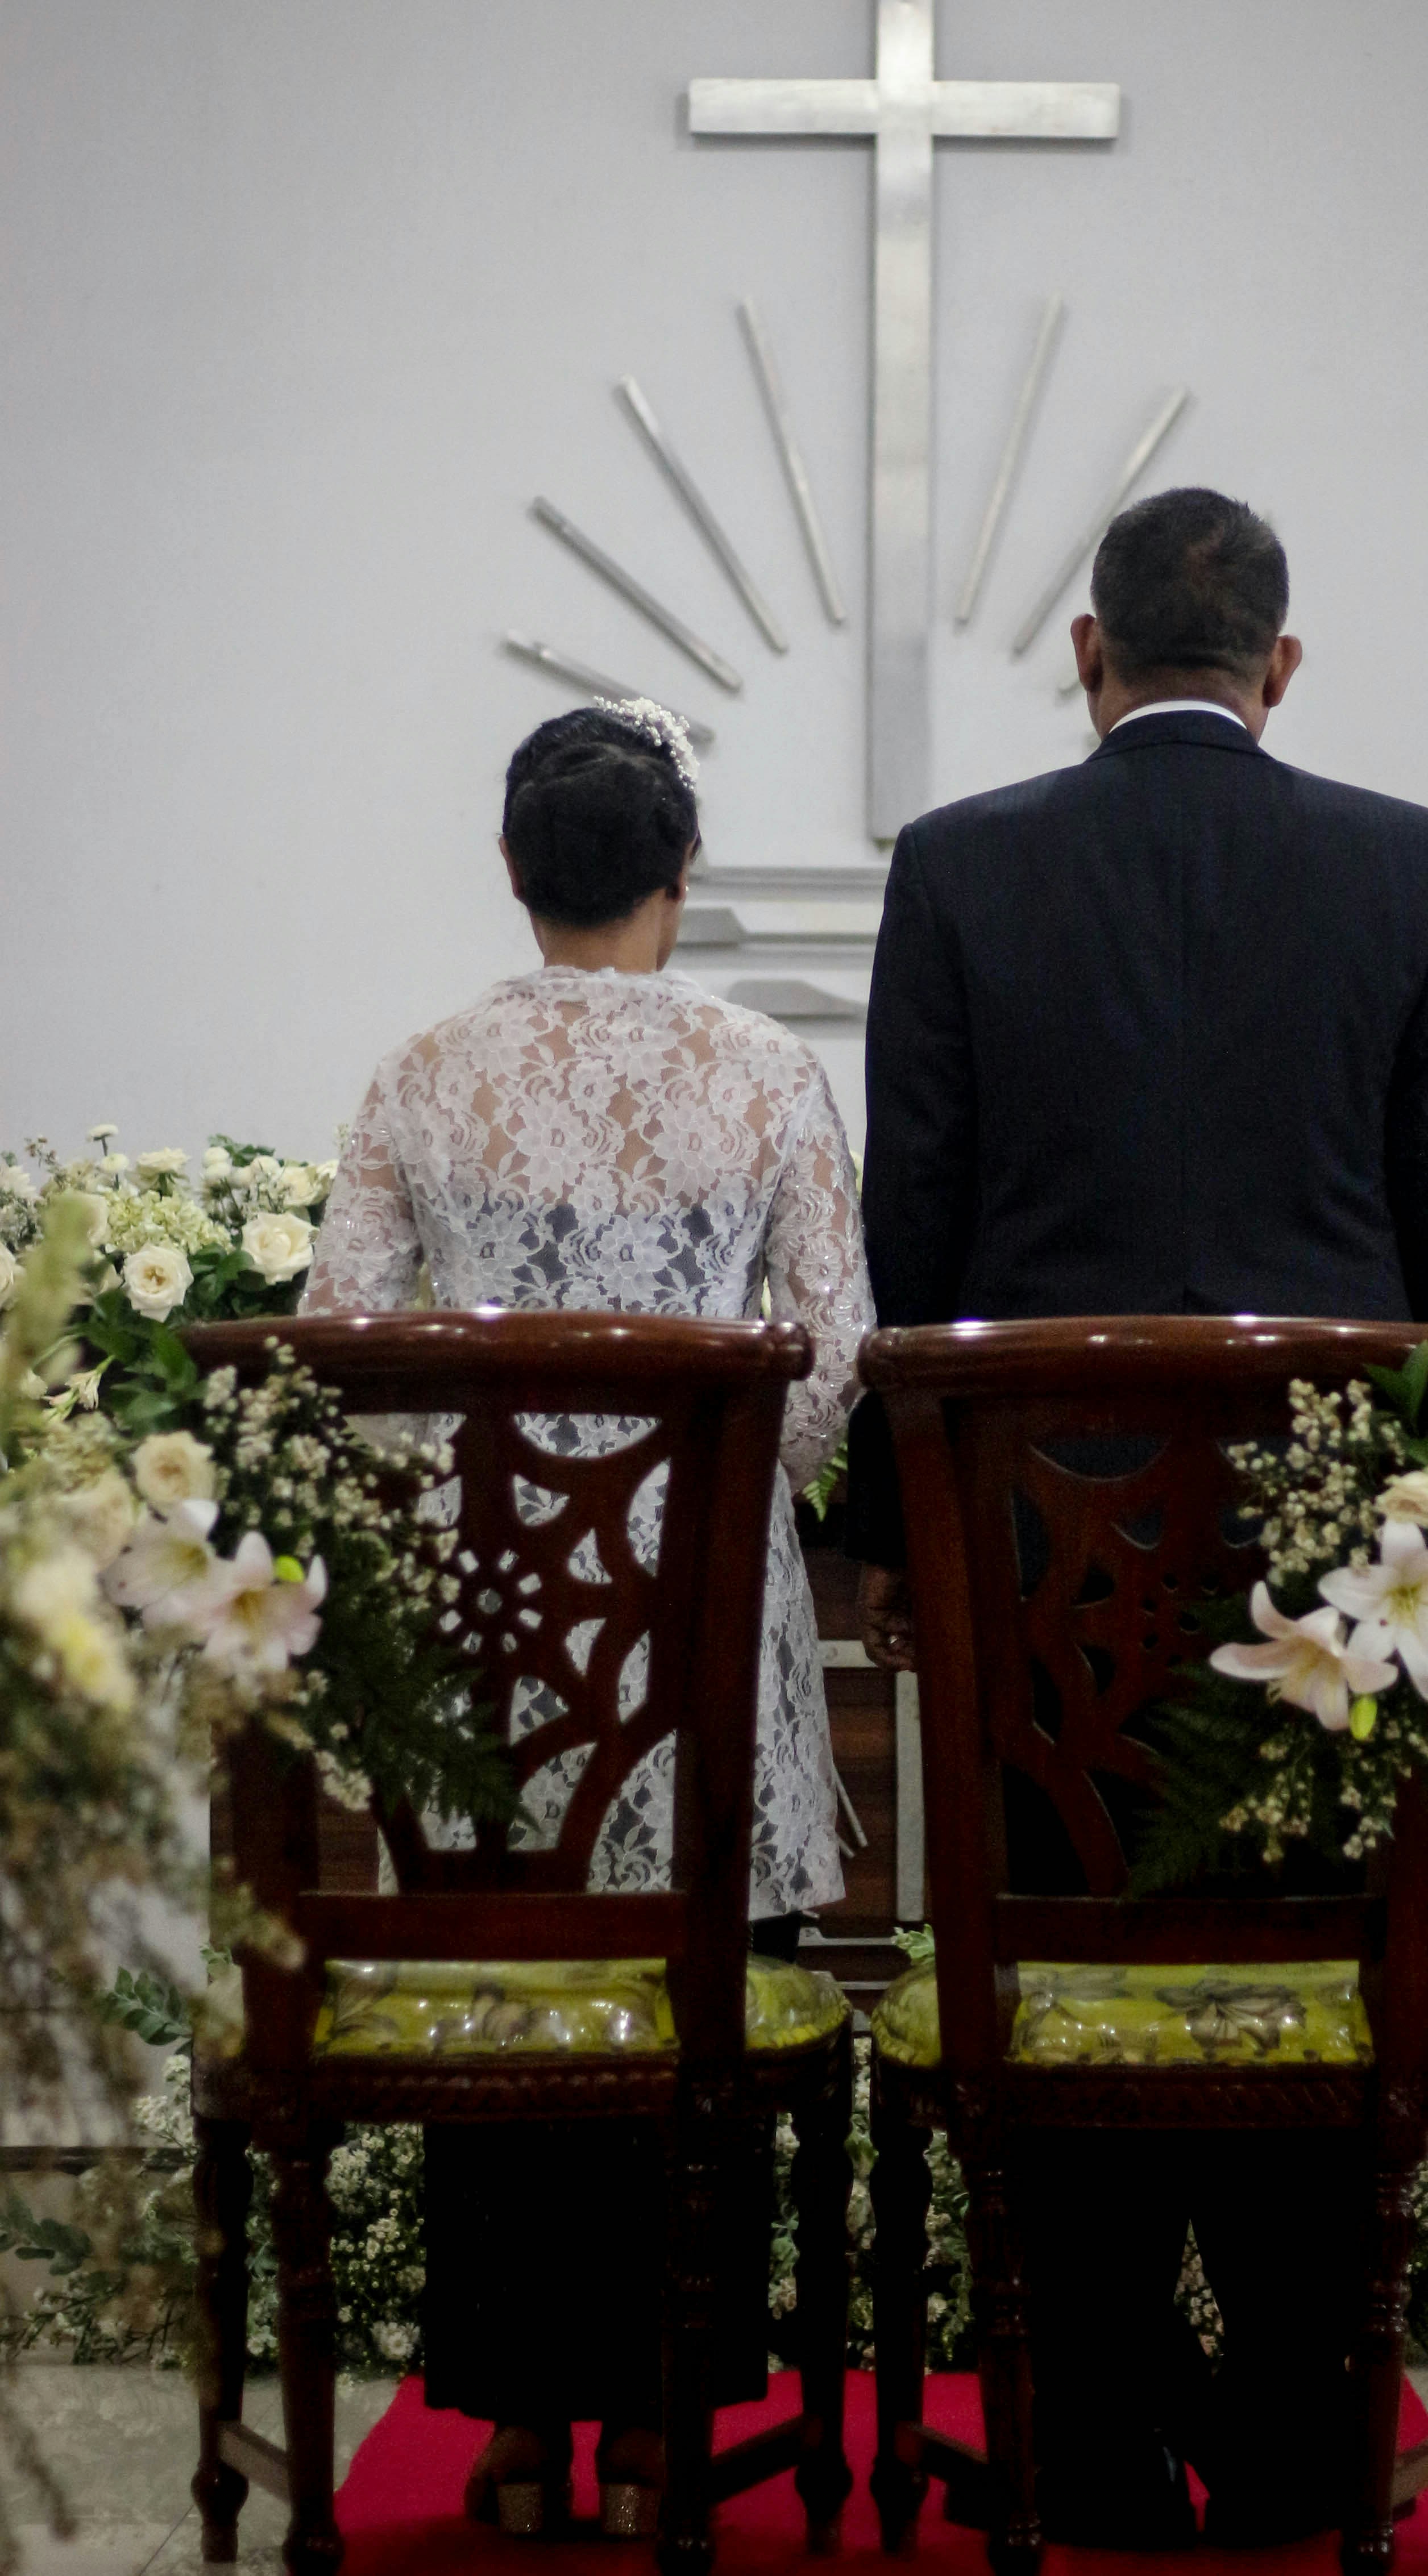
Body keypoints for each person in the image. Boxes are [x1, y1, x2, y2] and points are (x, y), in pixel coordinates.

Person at [846, 487, 1428, 2548]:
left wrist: (904, 1560)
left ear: (1087, 654)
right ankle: (1306, 2428)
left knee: (1067, 1980)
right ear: (1281, 668)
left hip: (1046, 1589)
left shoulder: (959, 874)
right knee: (1300, 1973)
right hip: (1329, 1589)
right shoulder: (1406, 868)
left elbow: (916, 1258)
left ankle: (1090, 2428)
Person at [303, 700, 872, 2536]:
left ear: (513, 871)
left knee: (509, 1987)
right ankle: (659, 2427)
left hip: (497, 1646)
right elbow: (833, 1362)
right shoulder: (769, 1077)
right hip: (700, 1626)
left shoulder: (414, 1076)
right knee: (697, 1985)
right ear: (682, 876)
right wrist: (732, 1485)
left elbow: (349, 1355)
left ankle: (524, 2432)